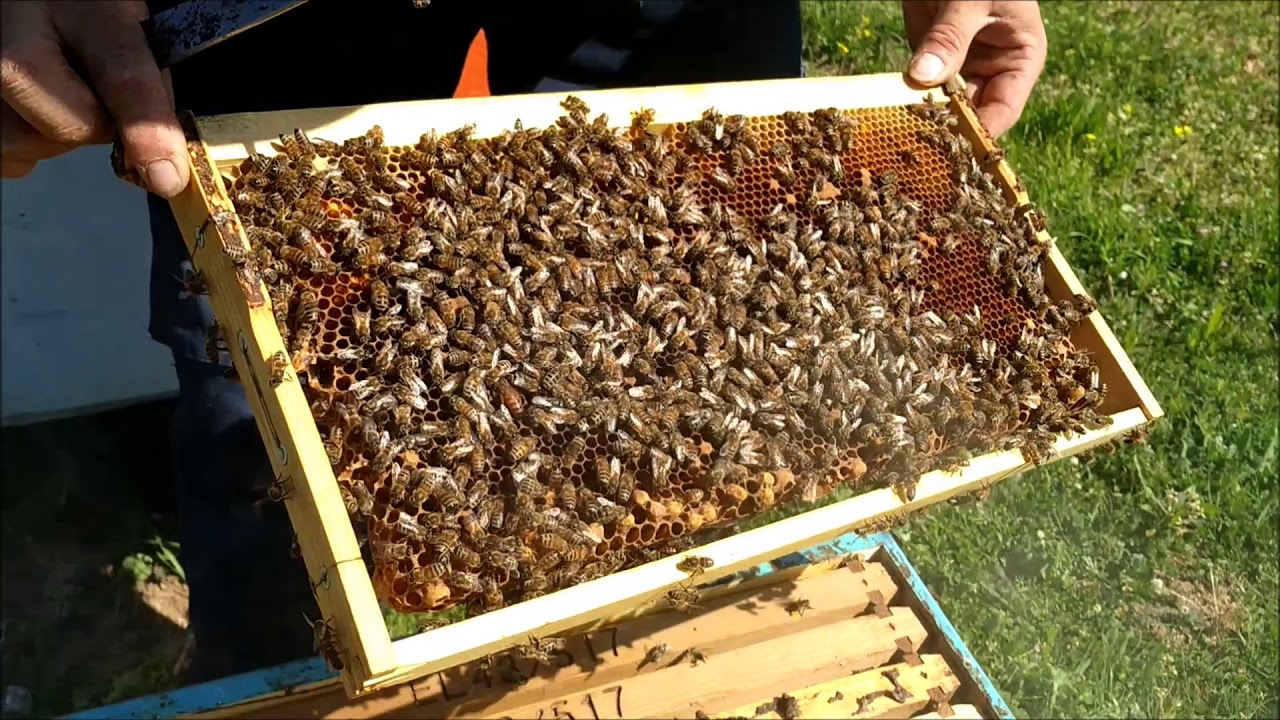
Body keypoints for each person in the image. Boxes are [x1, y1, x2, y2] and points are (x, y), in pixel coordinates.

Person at [0, 0, 1047, 683]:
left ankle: (613, 657)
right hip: (287, 23)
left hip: (669, 13)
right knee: (274, 374)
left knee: (700, 299)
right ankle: (268, 673)